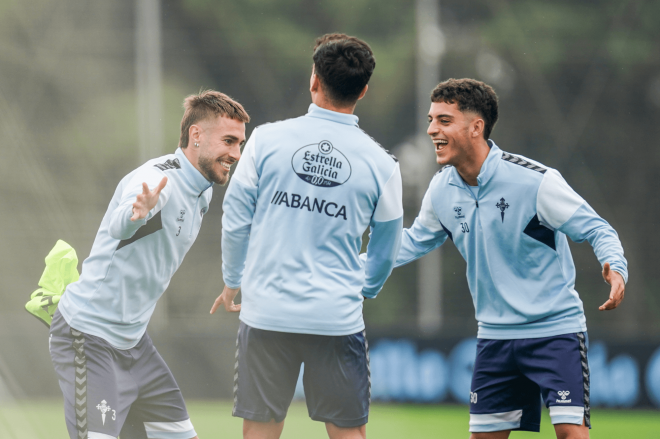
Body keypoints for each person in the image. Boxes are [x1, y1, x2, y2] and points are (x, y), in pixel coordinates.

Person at [393, 78, 627, 439]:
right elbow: (410, 243)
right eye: (431, 119)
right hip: (495, 338)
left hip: (555, 331)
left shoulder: (536, 181)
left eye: (443, 120)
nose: (431, 130)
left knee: (572, 434)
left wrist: (617, 270)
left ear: (476, 127)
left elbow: (598, 229)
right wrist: (351, 269)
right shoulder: (441, 189)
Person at [210, 34, 403, 439]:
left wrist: (233, 280)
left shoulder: (264, 140)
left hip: (266, 315)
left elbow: (235, 217)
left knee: (260, 432)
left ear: (313, 79)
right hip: (335, 319)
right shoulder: (383, 165)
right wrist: (363, 287)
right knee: (348, 434)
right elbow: (386, 248)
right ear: (363, 90)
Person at [50, 90, 249, 439]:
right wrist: (135, 214)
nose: (235, 153)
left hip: (134, 345)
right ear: (196, 135)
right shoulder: (161, 181)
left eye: (240, 143)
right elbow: (119, 224)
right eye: (228, 141)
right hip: (89, 338)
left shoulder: (203, 188)